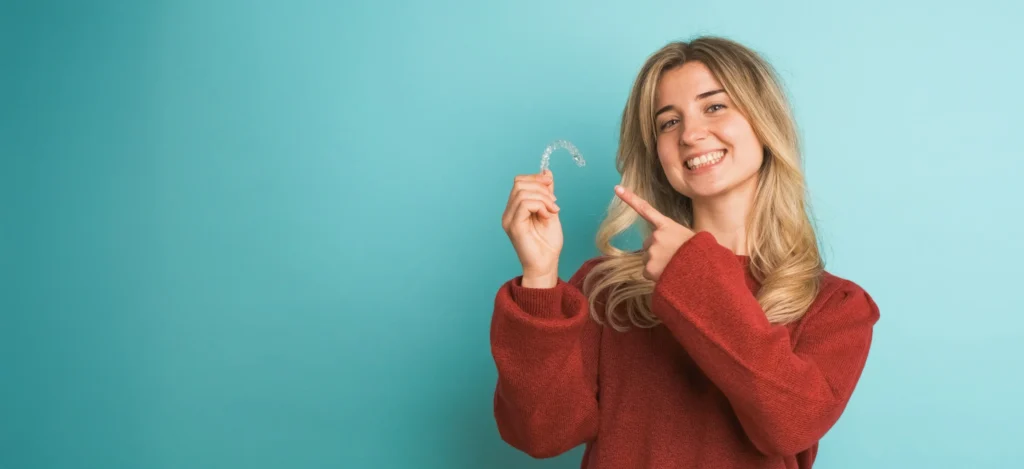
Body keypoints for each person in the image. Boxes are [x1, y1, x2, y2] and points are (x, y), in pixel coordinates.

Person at [492, 36, 880, 469]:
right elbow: (541, 433)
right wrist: (539, 278)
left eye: (715, 106)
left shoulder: (835, 307)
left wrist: (690, 271)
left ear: (764, 121)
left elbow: (788, 426)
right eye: (669, 122)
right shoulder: (605, 289)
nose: (691, 135)